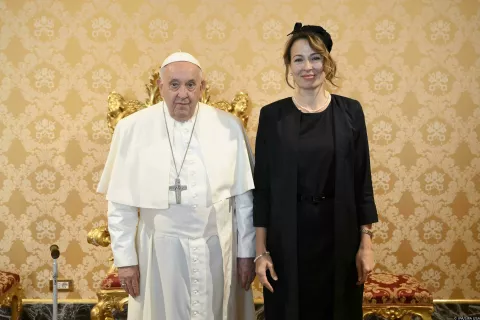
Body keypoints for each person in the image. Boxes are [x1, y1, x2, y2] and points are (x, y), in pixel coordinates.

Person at [97, 51, 257, 320]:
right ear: (160, 87)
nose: (183, 93)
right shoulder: (132, 129)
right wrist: (125, 261)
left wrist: (246, 253)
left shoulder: (228, 127)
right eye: (174, 85)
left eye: (190, 85)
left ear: (202, 88)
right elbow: (120, 204)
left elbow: (244, 200)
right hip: (159, 250)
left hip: (216, 247)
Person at [253, 22, 379, 319]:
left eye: (315, 57)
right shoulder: (273, 116)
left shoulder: (351, 112)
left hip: (340, 236)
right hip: (286, 239)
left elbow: (363, 181)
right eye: (298, 59)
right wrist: (261, 252)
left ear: (327, 61)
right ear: (289, 66)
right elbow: (263, 189)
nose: (307, 66)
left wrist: (366, 244)